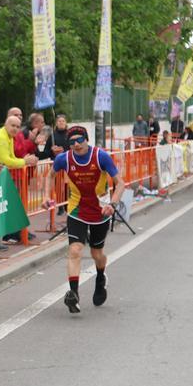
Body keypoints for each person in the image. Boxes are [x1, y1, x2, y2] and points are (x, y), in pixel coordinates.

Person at [53, 125, 124, 313]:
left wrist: (113, 204)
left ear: (87, 140)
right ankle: (73, 294)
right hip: (76, 210)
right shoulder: (64, 159)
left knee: (96, 254)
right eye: (72, 142)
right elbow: (49, 175)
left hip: (100, 211)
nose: (76, 145)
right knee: (75, 250)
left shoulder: (101, 156)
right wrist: (46, 196)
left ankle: (100, 277)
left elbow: (120, 183)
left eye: (80, 140)